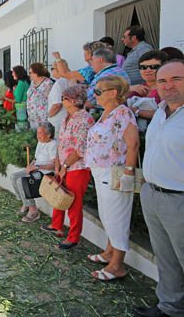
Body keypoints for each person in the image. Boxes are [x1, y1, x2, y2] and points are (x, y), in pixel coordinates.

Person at [134, 59, 184, 317]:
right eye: (163, 80)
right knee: (166, 260)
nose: (169, 85)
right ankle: (170, 308)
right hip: (153, 194)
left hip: (179, 201)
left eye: (177, 79)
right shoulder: (161, 112)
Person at [84, 76, 139, 281]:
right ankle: (109, 252)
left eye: (98, 91)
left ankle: (117, 265)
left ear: (113, 93)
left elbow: (133, 144)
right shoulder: (107, 113)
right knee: (107, 215)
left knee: (117, 217)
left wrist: (128, 173)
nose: (94, 95)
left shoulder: (123, 113)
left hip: (115, 171)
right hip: (101, 171)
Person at [41, 85, 94, 250]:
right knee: (59, 194)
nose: (61, 101)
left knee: (74, 202)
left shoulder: (84, 119)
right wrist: (58, 163)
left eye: (64, 98)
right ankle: (57, 225)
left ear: (72, 101)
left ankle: (73, 237)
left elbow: (80, 149)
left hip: (77, 167)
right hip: (65, 164)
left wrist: (64, 165)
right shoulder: (67, 116)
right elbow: (62, 142)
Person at [9, 123, 57, 222]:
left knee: (21, 181)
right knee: (14, 176)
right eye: (37, 132)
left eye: (40, 133)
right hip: (36, 169)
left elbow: (54, 165)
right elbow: (36, 158)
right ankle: (25, 203)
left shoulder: (53, 145)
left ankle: (33, 211)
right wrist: (30, 166)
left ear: (48, 134)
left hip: (45, 173)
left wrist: (37, 167)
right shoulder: (41, 141)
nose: (37, 135)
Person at [27, 62, 54, 129]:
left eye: (30, 72)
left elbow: (51, 99)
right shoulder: (32, 83)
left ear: (36, 72)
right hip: (32, 115)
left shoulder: (48, 83)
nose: (29, 75)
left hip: (42, 116)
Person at [48, 59, 70, 134]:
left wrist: (49, 116)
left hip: (57, 120)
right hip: (65, 118)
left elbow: (57, 104)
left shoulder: (59, 83)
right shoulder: (68, 80)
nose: (51, 71)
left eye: (52, 68)